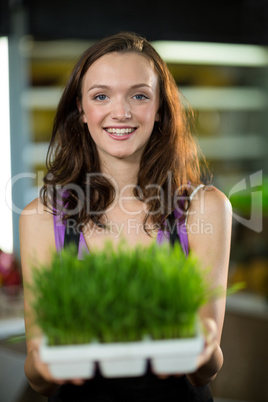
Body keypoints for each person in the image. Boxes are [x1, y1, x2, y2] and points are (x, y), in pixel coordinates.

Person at [19, 31, 232, 401]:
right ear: (81, 111)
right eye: (101, 96)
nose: (121, 112)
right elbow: (39, 378)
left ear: (160, 108)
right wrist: (47, 360)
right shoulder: (42, 216)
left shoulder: (204, 207)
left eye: (139, 95)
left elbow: (206, 371)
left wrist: (203, 347)